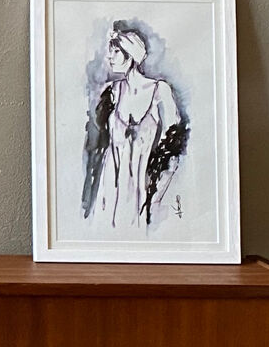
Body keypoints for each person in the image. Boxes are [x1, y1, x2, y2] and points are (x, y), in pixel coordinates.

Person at [81, 24, 189, 229]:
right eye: (109, 51)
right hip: (110, 186)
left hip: (144, 186)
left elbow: (172, 148)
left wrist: (156, 194)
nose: (109, 57)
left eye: (116, 51)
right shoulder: (111, 91)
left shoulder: (160, 90)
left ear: (130, 55)